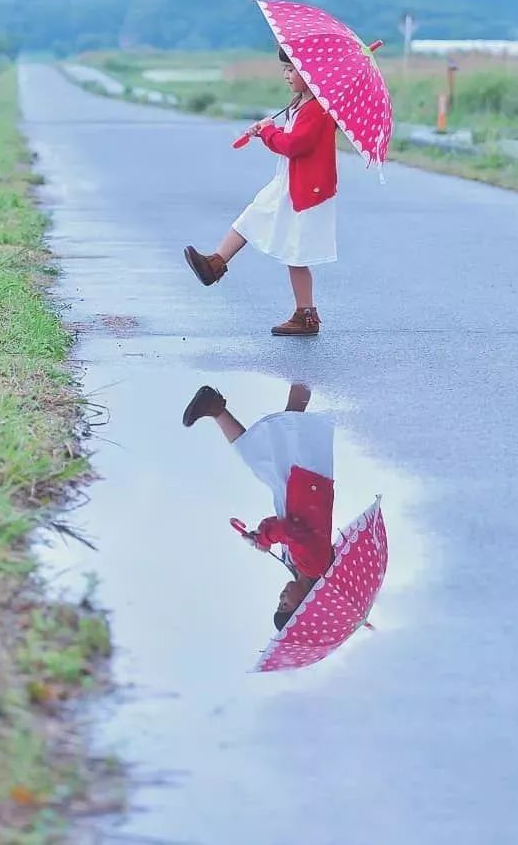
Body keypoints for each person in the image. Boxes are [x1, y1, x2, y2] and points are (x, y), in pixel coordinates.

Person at [183, 47, 338, 336]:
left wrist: (268, 132)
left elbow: (294, 146)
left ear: (309, 73)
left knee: (296, 252)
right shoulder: (301, 105)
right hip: (289, 182)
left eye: (291, 69)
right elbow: (290, 140)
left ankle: (306, 314)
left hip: (306, 189)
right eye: (285, 69)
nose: (286, 75)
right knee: (253, 217)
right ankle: (215, 264)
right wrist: (271, 130)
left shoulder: (318, 109)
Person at [182, 381, 335, 632]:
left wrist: (259, 538)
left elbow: (284, 534)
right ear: (303, 606)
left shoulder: (297, 566)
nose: (281, 598)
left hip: (295, 491)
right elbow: (288, 529)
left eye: (278, 603)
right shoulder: (314, 566)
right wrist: (265, 539)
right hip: (308, 486)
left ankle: (215, 407)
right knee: (291, 421)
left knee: (258, 457)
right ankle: (307, 368)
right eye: (285, 605)